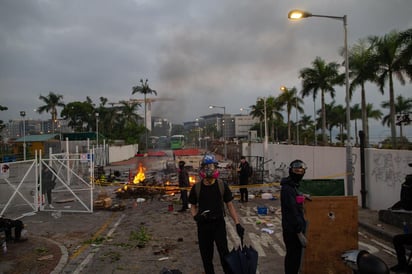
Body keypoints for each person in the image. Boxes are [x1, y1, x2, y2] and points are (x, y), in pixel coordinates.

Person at [188, 153, 245, 274]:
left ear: (215, 167)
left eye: (211, 166)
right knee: (206, 257)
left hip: (218, 224)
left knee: (224, 254)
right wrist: (195, 216)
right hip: (203, 226)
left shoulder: (221, 185)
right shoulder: (197, 187)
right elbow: (192, 205)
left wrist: (237, 223)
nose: (209, 169)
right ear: (202, 168)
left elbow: (230, 205)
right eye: (206, 166)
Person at [280, 159, 308, 274]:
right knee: (293, 258)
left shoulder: (292, 187)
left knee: (294, 256)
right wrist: (299, 231)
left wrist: (301, 197)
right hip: (292, 230)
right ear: (291, 171)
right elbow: (292, 211)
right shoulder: (288, 189)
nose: (299, 173)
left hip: (292, 228)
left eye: (301, 171)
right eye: (296, 171)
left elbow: (294, 203)